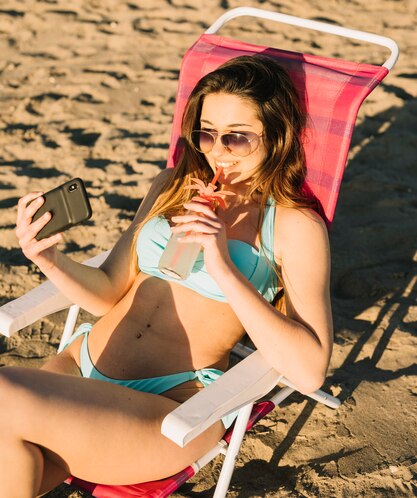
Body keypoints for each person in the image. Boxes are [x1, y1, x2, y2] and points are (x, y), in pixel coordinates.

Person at [1, 55, 333, 497]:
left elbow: (310, 371)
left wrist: (221, 263)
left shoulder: (293, 226)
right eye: (207, 133)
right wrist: (49, 259)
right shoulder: (170, 185)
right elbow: (107, 294)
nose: (216, 150)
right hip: (80, 369)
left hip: (171, 409)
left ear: (275, 137)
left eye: (237, 138)